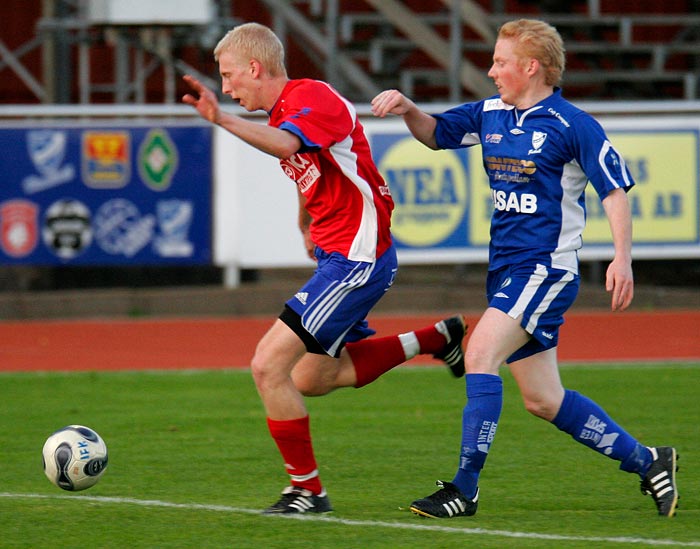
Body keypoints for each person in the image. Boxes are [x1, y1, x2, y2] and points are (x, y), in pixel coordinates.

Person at [371, 18, 679, 518]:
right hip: (507, 272)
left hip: (545, 271)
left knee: (479, 353)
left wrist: (622, 257)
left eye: (499, 62)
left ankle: (464, 489)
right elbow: (435, 135)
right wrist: (408, 108)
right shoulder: (490, 113)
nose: (491, 71)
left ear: (530, 67)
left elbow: (615, 191)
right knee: (543, 399)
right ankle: (648, 461)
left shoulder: (571, 124)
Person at [182, 22, 468, 514]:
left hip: (358, 258)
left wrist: (220, 119)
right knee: (314, 378)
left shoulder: (313, 98)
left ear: (256, 67)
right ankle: (437, 338)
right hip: (343, 255)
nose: (227, 88)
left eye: (230, 76)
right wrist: (305, 223)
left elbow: (290, 148)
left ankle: (307, 491)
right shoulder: (287, 111)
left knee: (267, 366)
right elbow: (307, 169)